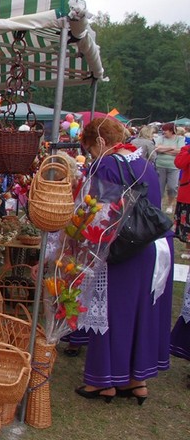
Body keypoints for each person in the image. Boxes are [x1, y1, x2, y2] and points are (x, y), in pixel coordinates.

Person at [74, 117, 173, 405]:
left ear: (100, 141)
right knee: (140, 313)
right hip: (153, 245)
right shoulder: (144, 163)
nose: (92, 155)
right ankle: (136, 381)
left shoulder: (106, 165)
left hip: (123, 247)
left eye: (91, 149)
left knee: (111, 312)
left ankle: (103, 382)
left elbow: (96, 212)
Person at [154, 122, 184, 213]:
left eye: (165, 130)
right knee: (159, 187)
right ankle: (159, 204)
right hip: (160, 165)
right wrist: (171, 148)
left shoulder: (180, 139)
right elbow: (156, 148)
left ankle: (170, 205)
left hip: (174, 167)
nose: (163, 132)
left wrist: (163, 150)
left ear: (171, 131)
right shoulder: (160, 138)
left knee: (172, 187)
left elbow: (180, 151)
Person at [174, 144, 190, 260]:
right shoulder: (186, 149)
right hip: (188, 194)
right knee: (188, 223)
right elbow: (179, 164)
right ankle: (188, 249)